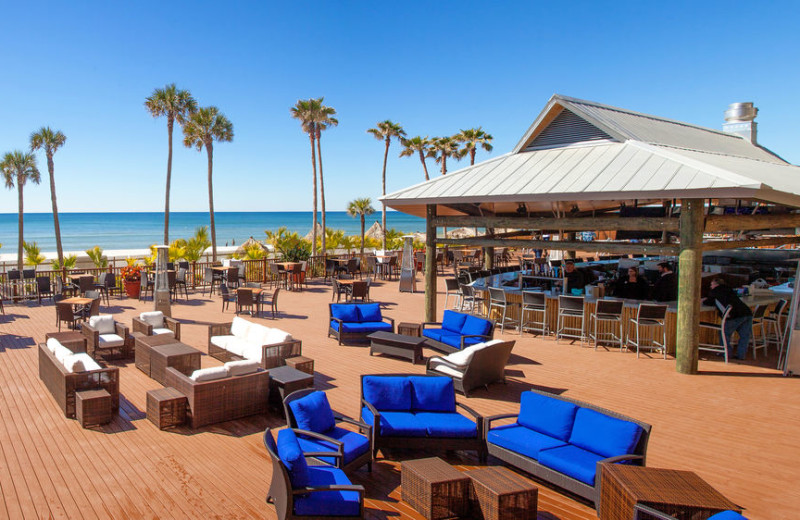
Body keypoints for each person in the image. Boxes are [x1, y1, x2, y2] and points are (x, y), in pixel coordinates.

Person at [703, 278, 753, 360]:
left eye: (712, 284)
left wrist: (705, 299)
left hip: (734, 315)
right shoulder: (729, 289)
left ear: (716, 285)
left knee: (724, 333)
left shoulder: (715, 291)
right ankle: (741, 355)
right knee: (744, 336)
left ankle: (726, 353)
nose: (710, 286)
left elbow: (708, 302)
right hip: (747, 312)